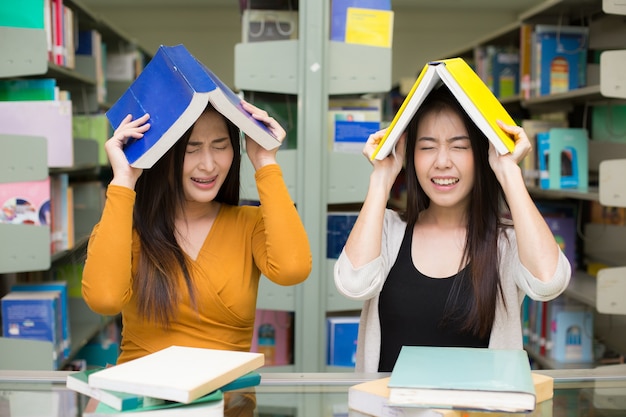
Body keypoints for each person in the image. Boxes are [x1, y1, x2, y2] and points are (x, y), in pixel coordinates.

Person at [333, 86, 571, 373]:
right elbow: (352, 284)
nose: (442, 162)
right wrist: (381, 177)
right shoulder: (388, 229)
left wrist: (508, 171)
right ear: (410, 155)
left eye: (459, 146)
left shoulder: (505, 242)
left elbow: (549, 282)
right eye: (427, 147)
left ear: (483, 153)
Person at [82, 101, 312, 364]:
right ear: (163, 153)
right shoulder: (128, 229)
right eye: (192, 150)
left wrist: (265, 162)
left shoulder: (250, 224)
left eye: (220, 146)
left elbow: (293, 269)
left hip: (225, 400)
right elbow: (104, 300)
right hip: (143, 398)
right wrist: (123, 179)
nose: (208, 165)